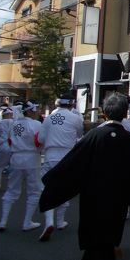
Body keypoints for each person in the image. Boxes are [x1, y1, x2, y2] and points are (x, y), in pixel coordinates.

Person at [39, 92, 130, 260]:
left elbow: (73, 164)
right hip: (117, 199)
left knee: (93, 242)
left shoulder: (93, 136)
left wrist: (53, 182)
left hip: (93, 197)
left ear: (104, 113)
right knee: (109, 238)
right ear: (125, 113)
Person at [37, 97, 84, 242]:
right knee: (65, 188)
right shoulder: (75, 118)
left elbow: (41, 139)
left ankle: (49, 221)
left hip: (50, 155)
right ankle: (60, 221)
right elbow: (79, 135)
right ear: (70, 104)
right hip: (67, 156)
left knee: (47, 188)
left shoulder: (48, 118)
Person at [0, 101, 43, 232]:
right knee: (34, 190)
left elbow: (10, 141)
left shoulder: (14, 124)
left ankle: (3, 221)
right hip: (31, 158)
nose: (37, 112)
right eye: (35, 110)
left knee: (12, 189)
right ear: (29, 111)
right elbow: (39, 141)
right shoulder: (36, 124)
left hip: (16, 157)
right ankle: (27, 222)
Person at [0, 106, 14, 191]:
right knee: (14, 166)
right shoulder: (16, 123)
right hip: (15, 146)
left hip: (4, 147)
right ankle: (13, 184)